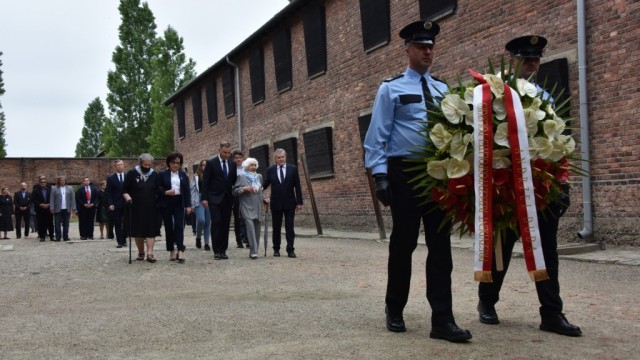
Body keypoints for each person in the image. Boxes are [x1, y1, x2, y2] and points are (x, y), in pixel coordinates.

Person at [363, 20, 472, 342]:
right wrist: (380, 175)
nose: (427, 51)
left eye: (431, 46)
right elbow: (376, 137)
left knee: (441, 248)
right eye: (421, 46)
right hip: (405, 173)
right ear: (407, 49)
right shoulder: (391, 88)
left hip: (439, 174)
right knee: (404, 243)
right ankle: (394, 307)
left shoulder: (444, 91)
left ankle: (443, 319)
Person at [475, 35, 582, 337]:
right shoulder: (494, 94)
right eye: (527, 59)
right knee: (502, 248)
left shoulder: (545, 97)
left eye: (536, 59)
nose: (533, 64)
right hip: (506, 184)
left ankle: (551, 313)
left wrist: (562, 184)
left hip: (539, 186)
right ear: (512, 60)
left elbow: (556, 144)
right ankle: (487, 301)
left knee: (546, 250)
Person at [262, 149, 303, 258]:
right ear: (275, 158)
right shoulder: (270, 170)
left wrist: (299, 202)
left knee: (290, 227)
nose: (280, 159)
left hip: (290, 203)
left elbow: (297, 186)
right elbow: (265, 184)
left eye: (282, 157)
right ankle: (276, 249)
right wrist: (257, 187)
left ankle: (290, 249)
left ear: (285, 157)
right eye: (278, 157)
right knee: (276, 227)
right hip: (276, 203)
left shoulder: (293, 169)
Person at [201, 142, 237, 260]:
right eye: (224, 152)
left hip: (227, 198)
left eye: (228, 153)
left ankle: (223, 250)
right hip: (214, 198)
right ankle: (216, 250)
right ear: (219, 150)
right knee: (216, 222)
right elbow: (206, 182)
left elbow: (233, 180)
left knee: (225, 224)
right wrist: (204, 198)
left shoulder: (232, 164)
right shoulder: (211, 163)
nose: (226, 155)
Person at [122, 154, 161, 263]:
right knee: (138, 231)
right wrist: (128, 199)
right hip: (136, 207)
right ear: (140, 163)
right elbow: (124, 190)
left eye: (149, 165)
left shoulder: (154, 175)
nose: (147, 167)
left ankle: (150, 254)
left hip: (151, 207)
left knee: (151, 230)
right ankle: (141, 252)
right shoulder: (131, 174)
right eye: (145, 164)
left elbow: (158, 190)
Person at [157, 152, 192, 263]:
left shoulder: (183, 175)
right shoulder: (162, 174)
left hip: (179, 201)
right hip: (166, 202)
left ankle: (180, 250)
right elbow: (157, 188)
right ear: (169, 163)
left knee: (179, 226)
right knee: (169, 226)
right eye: (173, 163)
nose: (175, 165)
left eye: (178, 163)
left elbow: (186, 191)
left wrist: (188, 205)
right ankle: (171, 250)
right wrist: (166, 192)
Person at [233, 157, 264, 259]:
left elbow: (260, 191)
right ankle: (254, 250)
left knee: (257, 229)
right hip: (246, 205)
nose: (253, 167)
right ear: (247, 166)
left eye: (255, 165)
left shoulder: (259, 176)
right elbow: (235, 192)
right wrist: (244, 188)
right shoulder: (241, 176)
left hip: (257, 205)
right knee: (250, 228)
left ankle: (253, 250)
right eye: (251, 165)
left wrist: (264, 199)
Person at [106, 159, 127, 248]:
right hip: (116, 204)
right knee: (117, 223)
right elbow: (109, 192)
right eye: (118, 165)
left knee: (126, 223)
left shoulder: (127, 177)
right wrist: (110, 203)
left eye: (121, 164)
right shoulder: (111, 178)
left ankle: (124, 239)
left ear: (123, 165)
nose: (120, 166)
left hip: (126, 203)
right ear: (115, 167)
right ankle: (119, 241)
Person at [190, 159, 211, 251]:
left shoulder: (211, 176)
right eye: (203, 165)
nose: (204, 167)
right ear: (200, 166)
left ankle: (206, 243)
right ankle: (198, 237)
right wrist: (192, 204)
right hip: (198, 199)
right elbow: (192, 191)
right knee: (201, 220)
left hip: (209, 200)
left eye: (206, 165)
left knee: (207, 222)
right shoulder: (196, 176)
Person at [49, 176, 76, 242]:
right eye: (61, 180)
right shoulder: (54, 189)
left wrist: (74, 208)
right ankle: (58, 237)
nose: (62, 181)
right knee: (57, 223)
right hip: (57, 209)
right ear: (59, 181)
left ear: (65, 181)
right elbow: (51, 199)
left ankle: (65, 237)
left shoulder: (70, 188)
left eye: (64, 180)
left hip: (67, 209)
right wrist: (52, 208)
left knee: (66, 223)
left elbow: (73, 199)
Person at [231, 150, 248, 248]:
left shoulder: (246, 169)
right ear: (233, 159)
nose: (238, 159)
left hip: (245, 195)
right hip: (236, 195)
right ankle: (239, 240)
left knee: (246, 217)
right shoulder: (232, 169)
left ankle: (247, 237)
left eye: (240, 158)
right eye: (236, 158)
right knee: (238, 218)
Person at [32, 176, 54, 242]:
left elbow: (53, 198)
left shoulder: (50, 190)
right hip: (40, 209)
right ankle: (42, 236)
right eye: (41, 182)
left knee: (50, 223)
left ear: (46, 182)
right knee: (41, 223)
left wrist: (49, 204)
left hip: (48, 208)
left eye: (44, 182)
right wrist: (39, 204)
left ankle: (51, 236)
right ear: (39, 183)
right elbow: (33, 199)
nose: (43, 183)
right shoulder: (35, 190)